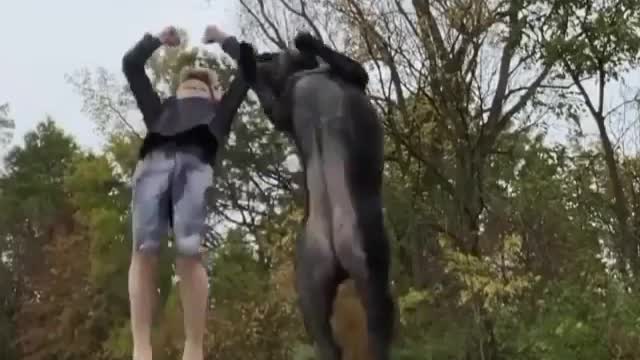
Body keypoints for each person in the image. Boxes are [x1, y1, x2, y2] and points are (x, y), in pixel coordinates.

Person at [122, 25, 253, 360]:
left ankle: (153, 348)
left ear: (214, 93)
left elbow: (132, 66)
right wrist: (223, 40)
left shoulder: (165, 112)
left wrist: (157, 40)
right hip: (189, 162)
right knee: (183, 256)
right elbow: (249, 67)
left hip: (161, 162)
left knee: (152, 255)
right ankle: (178, 348)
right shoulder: (207, 113)